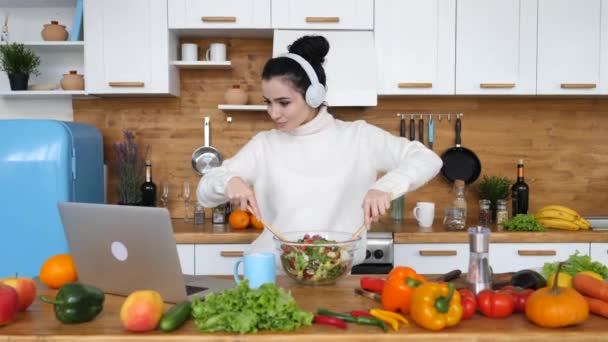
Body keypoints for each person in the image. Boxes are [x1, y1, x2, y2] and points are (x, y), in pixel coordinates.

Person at [197, 35, 442, 263]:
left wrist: (385, 188)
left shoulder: (359, 137)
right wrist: (228, 181)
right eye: (268, 103)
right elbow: (204, 191)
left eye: (284, 103)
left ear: (314, 96)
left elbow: (427, 159)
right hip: (274, 275)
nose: (274, 113)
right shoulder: (265, 144)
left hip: (337, 274)